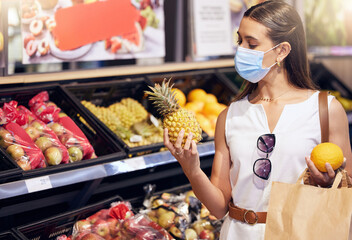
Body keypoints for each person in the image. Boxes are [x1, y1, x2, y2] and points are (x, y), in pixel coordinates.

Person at [163, 1, 352, 239]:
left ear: (282, 51)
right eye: (239, 41)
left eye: (251, 44)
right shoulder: (229, 115)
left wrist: (327, 182)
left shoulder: (324, 109)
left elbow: (348, 185)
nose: (241, 49)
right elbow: (218, 207)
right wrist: (191, 169)